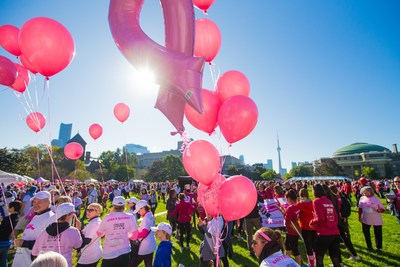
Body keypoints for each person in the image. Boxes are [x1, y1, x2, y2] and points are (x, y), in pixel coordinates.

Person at [12, 191, 55, 267]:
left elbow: (49, 243)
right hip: (23, 258)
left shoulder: (51, 218)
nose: (35, 204)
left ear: (48, 202)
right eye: (34, 202)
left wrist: (24, 243)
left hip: (33, 261)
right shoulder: (38, 215)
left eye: (39, 202)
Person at [32, 202, 82, 267]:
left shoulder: (44, 232)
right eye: (73, 213)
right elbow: (78, 245)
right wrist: (78, 230)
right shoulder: (73, 231)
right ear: (67, 215)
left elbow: (34, 253)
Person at [97, 196, 137, 267]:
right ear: (124, 206)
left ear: (113, 206)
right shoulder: (131, 217)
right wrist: (125, 235)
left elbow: (99, 234)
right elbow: (134, 237)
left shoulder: (107, 217)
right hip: (125, 251)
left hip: (109, 253)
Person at [309, 184, 341, 267]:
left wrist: (312, 222)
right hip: (335, 232)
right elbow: (335, 217)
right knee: (335, 258)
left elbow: (320, 218)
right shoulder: (329, 201)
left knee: (319, 258)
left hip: (324, 233)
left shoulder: (316, 201)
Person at [358, 186, 385, 252]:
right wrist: (359, 217)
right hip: (365, 219)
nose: (364, 193)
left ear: (370, 191)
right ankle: (369, 246)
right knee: (366, 232)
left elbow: (383, 209)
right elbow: (360, 208)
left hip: (376, 219)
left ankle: (378, 247)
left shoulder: (376, 199)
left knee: (378, 233)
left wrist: (379, 210)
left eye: (366, 191)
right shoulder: (362, 198)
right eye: (363, 191)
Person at [130, 200, 157, 267]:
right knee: (148, 264)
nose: (138, 213)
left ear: (143, 208)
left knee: (132, 264)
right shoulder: (150, 214)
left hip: (144, 247)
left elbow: (144, 233)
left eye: (139, 211)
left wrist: (132, 236)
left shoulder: (146, 218)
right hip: (151, 244)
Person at [76, 203, 103, 267]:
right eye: (87, 210)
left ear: (97, 212)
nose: (87, 212)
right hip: (94, 252)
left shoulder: (94, 223)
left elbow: (86, 241)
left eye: (90, 210)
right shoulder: (96, 221)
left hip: (89, 255)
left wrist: (79, 229)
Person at [297, 188, 317, 267]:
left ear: (300, 195)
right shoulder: (313, 203)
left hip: (305, 227)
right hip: (314, 226)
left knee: (308, 247)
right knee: (314, 245)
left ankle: (311, 264)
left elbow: (297, 216)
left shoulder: (299, 204)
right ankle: (316, 261)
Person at [282, 189, 301, 265]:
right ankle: (288, 263)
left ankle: (299, 264)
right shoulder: (297, 206)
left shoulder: (290, 208)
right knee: (287, 246)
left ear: (289, 199)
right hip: (294, 231)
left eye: (286, 199)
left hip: (291, 231)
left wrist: (284, 213)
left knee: (295, 249)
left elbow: (287, 221)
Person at [0, 201, 21, 267]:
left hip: (1, 241)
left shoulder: (7, 219)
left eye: (8, 207)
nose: (7, 208)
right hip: (8, 241)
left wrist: (1, 221)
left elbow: (2, 230)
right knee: (4, 258)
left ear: (12, 208)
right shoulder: (17, 217)